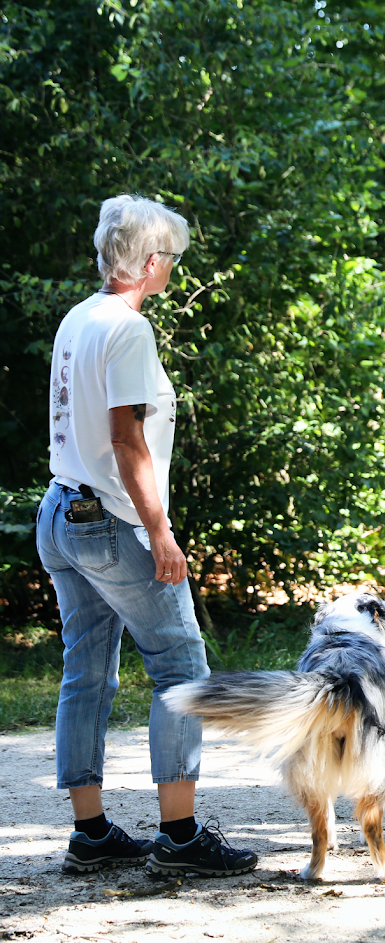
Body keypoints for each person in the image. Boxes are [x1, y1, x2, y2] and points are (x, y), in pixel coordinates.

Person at [36, 194, 258, 877]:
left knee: (86, 673)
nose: (174, 271)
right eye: (173, 260)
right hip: (111, 520)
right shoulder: (130, 330)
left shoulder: (79, 316)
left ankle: (92, 832)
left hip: (59, 512)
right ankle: (181, 837)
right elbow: (127, 437)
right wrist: (160, 532)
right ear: (152, 260)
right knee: (181, 670)